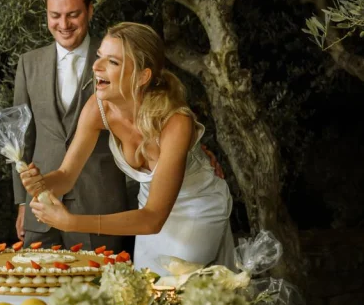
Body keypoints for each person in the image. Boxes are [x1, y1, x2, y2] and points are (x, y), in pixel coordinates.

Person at [21, 22, 236, 276]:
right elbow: (66, 176)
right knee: (145, 285)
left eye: (112, 62)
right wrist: (42, 183)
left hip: (195, 209)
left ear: (143, 76)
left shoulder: (176, 122)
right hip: (145, 211)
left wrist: (72, 222)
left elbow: (153, 219)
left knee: (178, 286)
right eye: (99, 56)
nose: (96, 66)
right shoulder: (97, 109)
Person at [13, 0, 130, 253]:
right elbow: (21, 139)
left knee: (100, 282)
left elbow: (139, 122)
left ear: (90, 10)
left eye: (73, 14)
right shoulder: (28, 64)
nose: (63, 24)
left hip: (99, 206)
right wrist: (21, 204)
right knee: (34, 280)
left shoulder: (116, 58)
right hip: (39, 208)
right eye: (55, 15)